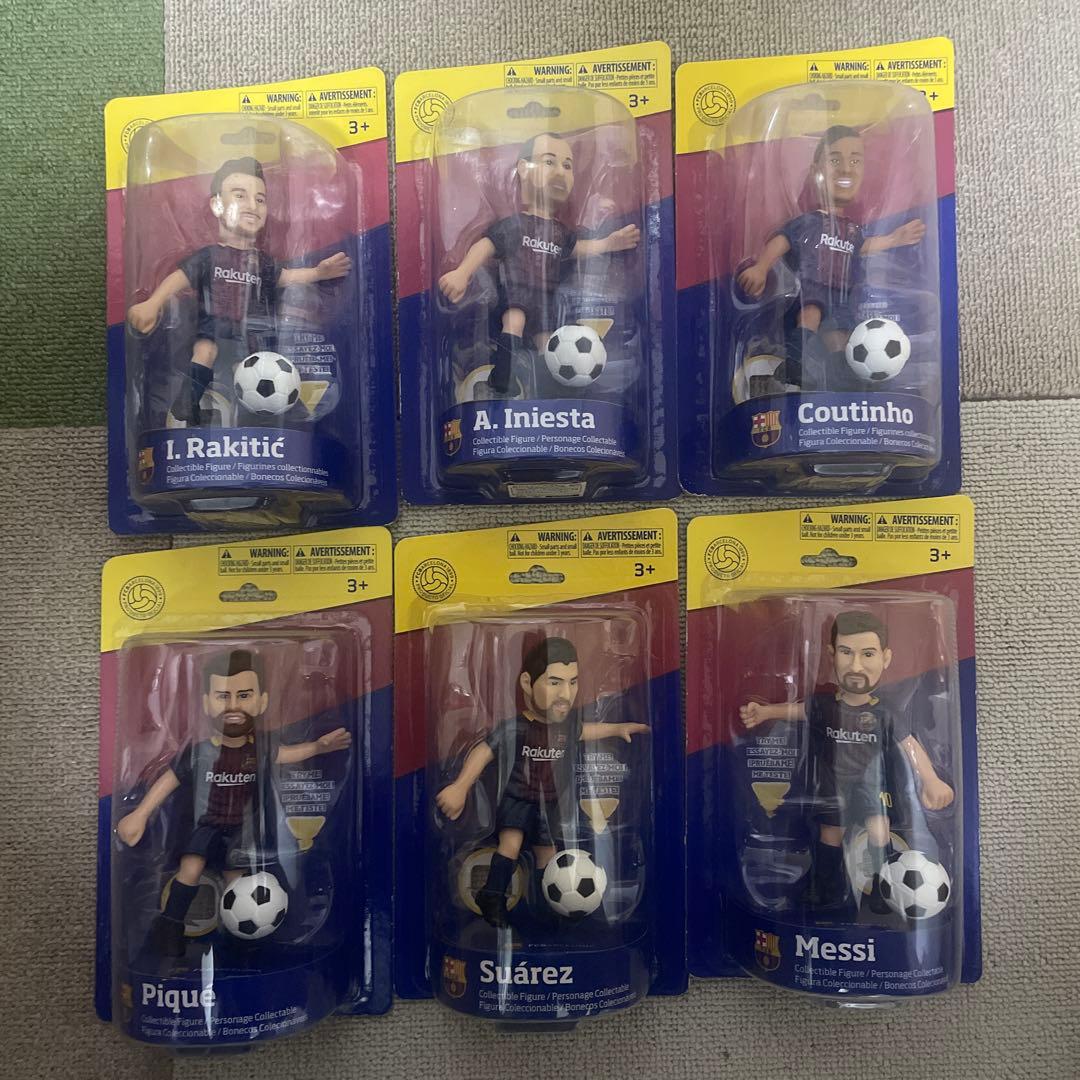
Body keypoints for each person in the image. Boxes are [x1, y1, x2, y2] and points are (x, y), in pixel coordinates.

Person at [115, 648, 352, 956]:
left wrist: (319, 747)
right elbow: (168, 781)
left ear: (262, 701)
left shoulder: (261, 749)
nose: (233, 705)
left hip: (243, 832)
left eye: (243, 695)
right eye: (223, 696)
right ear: (206, 703)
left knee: (238, 884)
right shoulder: (199, 752)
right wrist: (141, 813)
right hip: (204, 826)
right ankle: (169, 928)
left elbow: (288, 755)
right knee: (189, 870)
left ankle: (238, 941)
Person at [740, 610, 953, 913]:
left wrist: (930, 779)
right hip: (832, 784)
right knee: (831, 834)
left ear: (886, 658)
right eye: (846, 652)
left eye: (868, 654)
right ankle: (826, 887)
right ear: (831, 655)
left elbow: (910, 746)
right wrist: (764, 712)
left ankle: (882, 889)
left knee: (880, 829)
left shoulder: (885, 713)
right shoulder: (825, 705)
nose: (855, 665)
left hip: (872, 784)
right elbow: (797, 711)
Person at [435, 636, 649, 927]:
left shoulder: (567, 727)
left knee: (548, 856)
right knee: (510, 845)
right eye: (555, 682)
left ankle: (546, 907)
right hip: (517, 799)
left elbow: (588, 730)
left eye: (573, 682)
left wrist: (618, 728)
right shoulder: (516, 728)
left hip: (550, 803)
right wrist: (460, 787)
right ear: (527, 683)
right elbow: (483, 752)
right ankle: (492, 897)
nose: (566, 693)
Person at [127, 157, 352, 422]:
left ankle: (285, 407)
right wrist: (153, 303)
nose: (252, 206)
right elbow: (179, 279)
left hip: (251, 330)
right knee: (205, 352)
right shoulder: (209, 256)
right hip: (213, 325)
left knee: (256, 368)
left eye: (260, 199)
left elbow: (287, 277)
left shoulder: (262, 262)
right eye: (240, 195)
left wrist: (318, 273)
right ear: (217, 205)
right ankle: (187, 403)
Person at [437, 133, 639, 395]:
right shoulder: (515, 225)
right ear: (523, 168)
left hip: (547, 300)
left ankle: (550, 392)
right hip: (517, 294)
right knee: (514, 324)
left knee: (547, 343)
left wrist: (608, 244)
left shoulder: (560, 232)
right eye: (549, 162)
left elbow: (578, 249)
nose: (560, 172)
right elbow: (485, 245)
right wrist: (462, 274)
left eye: (567, 166)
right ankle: (503, 380)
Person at [736, 126, 925, 391]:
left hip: (842, 294)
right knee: (810, 314)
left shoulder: (853, 230)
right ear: (816, 171)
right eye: (835, 160)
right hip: (813, 287)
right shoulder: (809, 222)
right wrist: (761, 267)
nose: (846, 169)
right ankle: (797, 361)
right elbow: (782, 240)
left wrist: (895, 238)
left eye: (855, 161)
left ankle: (841, 374)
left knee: (841, 333)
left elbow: (864, 247)